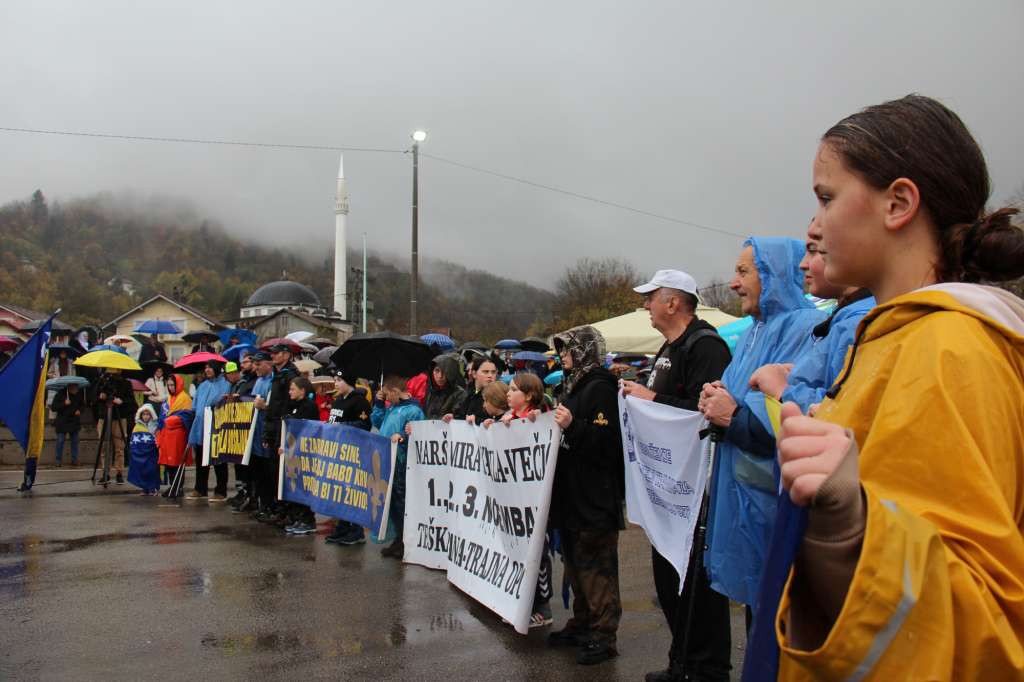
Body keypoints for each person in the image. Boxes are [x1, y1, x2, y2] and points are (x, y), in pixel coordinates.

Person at [772, 95, 1024, 680]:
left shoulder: (949, 348)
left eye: (827, 197)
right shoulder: (898, 335)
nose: (812, 226)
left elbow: (983, 627)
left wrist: (850, 530)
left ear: (899, 204)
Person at [697, 238, 824, 613]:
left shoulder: (806, 327)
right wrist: (716, 395)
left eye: (743, 272)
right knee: (760, 610)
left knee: (782, 615)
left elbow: (787, 415)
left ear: (774, 274)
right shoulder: (753, 331)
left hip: (772, 502)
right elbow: (737, 396)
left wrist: (731, 414)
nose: (733, 283)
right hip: (743, 497)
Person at [619, 269, 733, 682]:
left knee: (697, 584)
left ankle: (707, 669)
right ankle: (681, 662)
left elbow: (706, 412)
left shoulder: (705, 346)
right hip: (668, 491)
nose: (645, 305)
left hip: (695, 490)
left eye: (651, 297)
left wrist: (651, 398)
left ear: (673, 302)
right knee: (670, 581)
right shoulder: (669, 346)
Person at [547, 325, 624, 666]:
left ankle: (604, 635)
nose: (563, 356)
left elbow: (608, 443)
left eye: (568, 350)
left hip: (594, 497)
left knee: (597, 569)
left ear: (584, 351)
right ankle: (582, 623)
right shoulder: (574, 386)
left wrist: (573, 426)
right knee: (576, 565)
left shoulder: (600, 387)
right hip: (572, 495)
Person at [748, 220, 875, 413]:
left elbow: (848, 414)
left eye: (814, 250)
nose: (802, 264)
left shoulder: (856, 324)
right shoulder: (845, 320)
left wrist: (783, 391)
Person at [371, 374, 425, 559]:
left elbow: (418, 431)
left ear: (395, 392)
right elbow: (377, 422)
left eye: (387, 394)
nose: (386, 398)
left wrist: (402, 434)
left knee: (402, 503)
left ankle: (405, 541)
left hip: (402, 462)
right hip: (388, 459)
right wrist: (379, 405)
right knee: (392, 502)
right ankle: (397, 538)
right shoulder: (392, 408)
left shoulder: (413, 410)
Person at [325, 370, 374, 546]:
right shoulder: (338, 400)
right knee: (339, 491)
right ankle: (343, 526)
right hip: (337, 450)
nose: (336, 383)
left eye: (339, 380)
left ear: (349, 382)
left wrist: (342, 426)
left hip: (353, 451)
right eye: (335, 380)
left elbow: (365, 425)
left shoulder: (360, 401)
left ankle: (356, 530)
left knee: (351, 491)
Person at [255, 344, 300, 527]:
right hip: (274, 428)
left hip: (285, 430)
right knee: (274, 473)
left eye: (276, 353)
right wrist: (267, 434)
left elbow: (287, 407)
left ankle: (289, 512)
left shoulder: (290, 376)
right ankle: (279, 509)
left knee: (285, 473)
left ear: (286, 355)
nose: (272, 356)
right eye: (272, 353)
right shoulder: (277, 375)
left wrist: (282, 431)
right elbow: (273, 408)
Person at [184, 362, 230, 502]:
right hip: (200, 428)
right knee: (200, 460)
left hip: (217, 428)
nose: (207, 370)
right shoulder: (202, 385)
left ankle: (221, 491)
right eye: (206, 367)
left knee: (219, 461)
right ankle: (200, 488)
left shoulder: (225, 384)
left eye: (210, 367)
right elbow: (195, 405)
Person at [280, 376, 320, 535]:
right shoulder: (293, 405)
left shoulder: (309, 406)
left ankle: (308, 520)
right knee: (295, 485)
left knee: (304, 486)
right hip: (293, 452)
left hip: (305, 453)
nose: (290, 392)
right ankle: (298, 517)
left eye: (293, 389)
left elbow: (306, 429)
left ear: (302, 391)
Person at [244, 352, 275, 515]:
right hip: (256, 433)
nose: (255, 368)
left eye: (258, 364)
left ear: (268, 364)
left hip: (267, 432)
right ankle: (261, 503)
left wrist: (265, 406)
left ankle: (270, 505)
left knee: (269, 472)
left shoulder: (274, 380)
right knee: (258, 471)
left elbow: (278, 406)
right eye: (254, 364)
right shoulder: (258, 381)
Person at [94, 368, 138, 485]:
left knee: (119, 447)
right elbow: (93, 399)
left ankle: (119, 472)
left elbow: (132, 404)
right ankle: (105, 473)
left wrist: (121, 401)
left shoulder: (125, 383)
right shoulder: (102, 381)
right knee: (104, 446)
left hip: (119, 417)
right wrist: (100, 397)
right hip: (104, 417)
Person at [158, 375, 193, 498]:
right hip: (166, 435)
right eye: (168, 385)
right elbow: (162, 416)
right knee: (168, 462)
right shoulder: (168, 399)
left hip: (178, 436)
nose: (170, 387)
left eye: (172, 385)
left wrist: (174, 419)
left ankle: (178, 487)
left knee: (177, 462)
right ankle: (173, 485)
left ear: (178, 384)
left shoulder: (185, 399)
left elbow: (188, 416)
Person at [447, 356, 498, 423]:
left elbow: (498, 421)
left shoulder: (499, 395)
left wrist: (477, 420)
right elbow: (461, 414)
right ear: (474, 374)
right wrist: (453, 417)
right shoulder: (467, 393)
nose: (490, 375)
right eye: (486, 372)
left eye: (493, 372)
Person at [128, 404, 161, 495]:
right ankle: (144, 488)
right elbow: (133, 440)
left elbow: (158, 438)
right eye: (144, 414)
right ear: (140, 415)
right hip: (140, 454)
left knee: (152, 470)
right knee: (142, 470)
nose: (145, 416)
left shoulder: (155, 426)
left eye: (148, 414)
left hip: (152, 454)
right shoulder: (137, 426)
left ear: (151, 415)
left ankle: (152, 488)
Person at [423, 354, 467, 420]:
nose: (440, 376)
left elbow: (459, 418)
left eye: (444, 371)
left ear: (451, 373)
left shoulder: (460, 394)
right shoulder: (431, 390)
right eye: (437, 370)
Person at [51, 383, 84, 467]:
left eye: (77, 387)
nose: (77, 389)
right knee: (60, 440)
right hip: (62, 421)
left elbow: (82, 405)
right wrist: (64, 403)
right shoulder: (60, 394)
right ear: (70, 387)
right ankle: (58, 460)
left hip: (74, 421)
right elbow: (54, 407)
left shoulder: (79, 395)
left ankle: (74, 460)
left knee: (75, 441)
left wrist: (80, 410)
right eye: (75, 387)